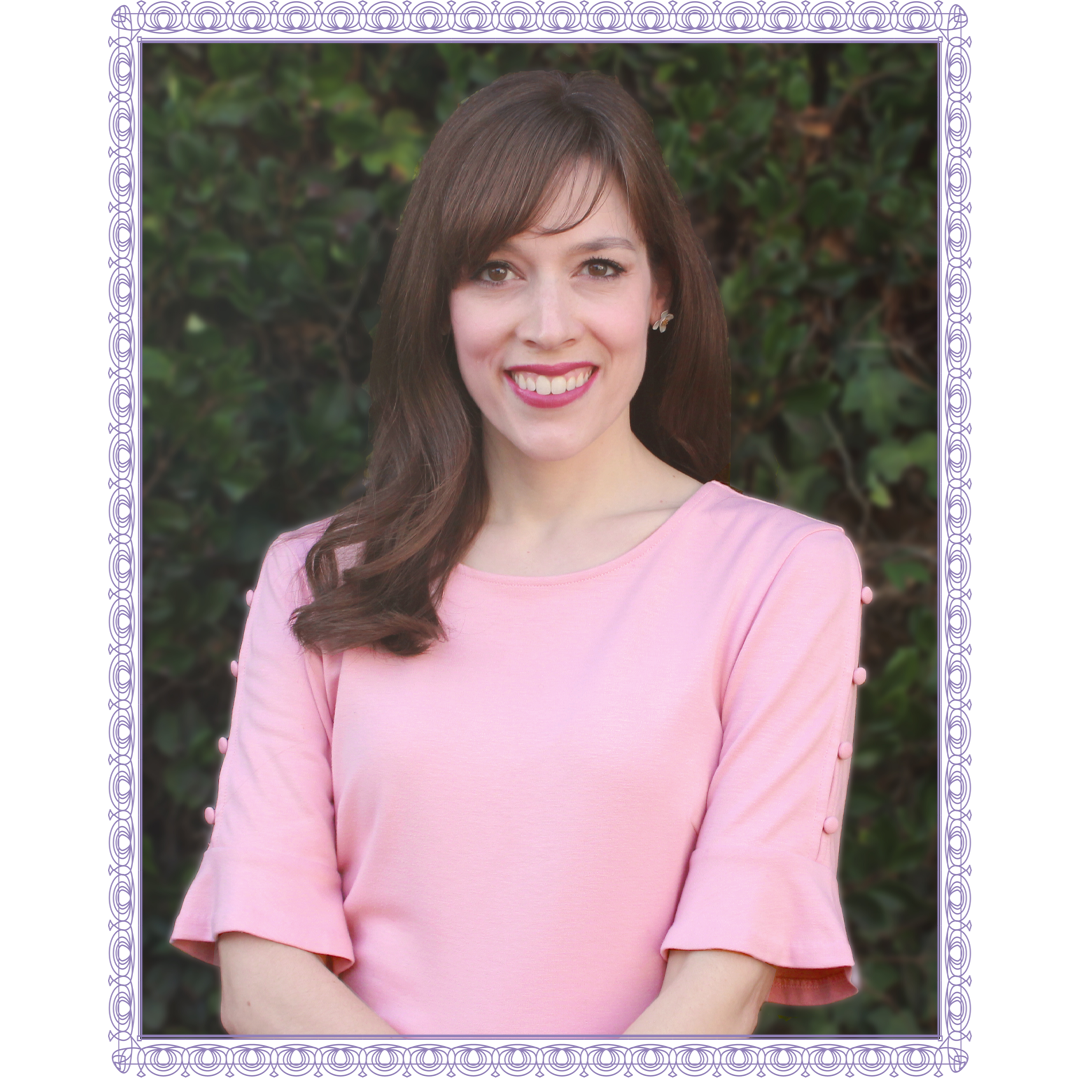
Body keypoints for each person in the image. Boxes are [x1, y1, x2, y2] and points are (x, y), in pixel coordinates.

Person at [171, 69, 868, 1037]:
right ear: (442, 300)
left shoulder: (782, 576)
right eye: (496, 270)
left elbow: (718, 995)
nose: (547, 326)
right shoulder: (315, 576)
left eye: (599, 268)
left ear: (661, 291)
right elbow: (262, 985)